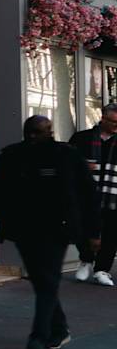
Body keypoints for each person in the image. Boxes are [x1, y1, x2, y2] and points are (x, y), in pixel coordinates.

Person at [0, 115, 98, 349]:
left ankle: (38, 336)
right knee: (42, 281)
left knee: (47, 281)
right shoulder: (12, 156)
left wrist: (93, 232)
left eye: (37, 132)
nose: (31, 136)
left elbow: (88, 195)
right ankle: (59, 328)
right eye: (29, 132)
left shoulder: (67, 156)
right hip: (23, 229)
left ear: (49, 131)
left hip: (56, 229)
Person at [67, 103, 117, 285]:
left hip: (113, 195)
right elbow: (66, 162)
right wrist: (81, 167)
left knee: (111, 233)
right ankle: (86, 259)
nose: (115, 126)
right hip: (85, 194)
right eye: (112, 122)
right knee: (81, 228)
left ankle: (102, 269)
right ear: (102, 118)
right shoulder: (82, 138)